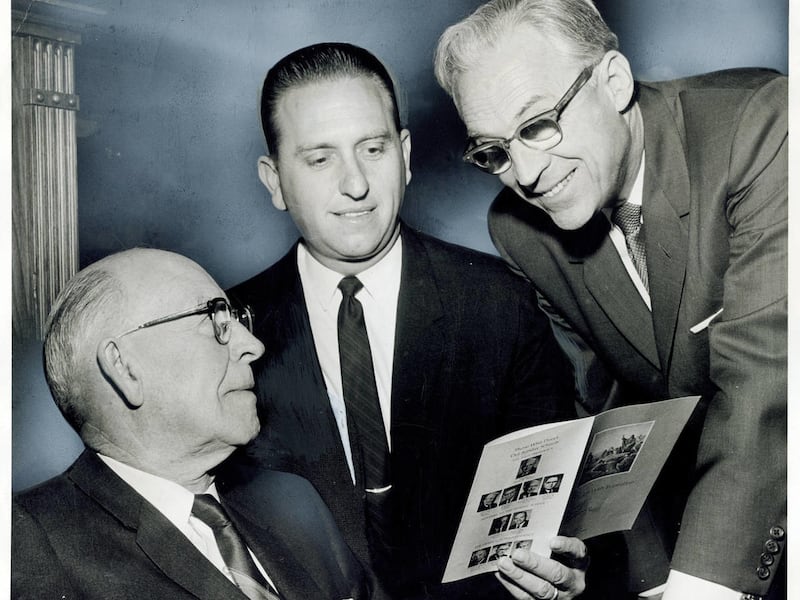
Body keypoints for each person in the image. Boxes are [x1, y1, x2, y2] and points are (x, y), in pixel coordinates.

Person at [434, 1, 787, 599]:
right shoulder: (521, 230)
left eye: (538, 123)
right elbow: (613, 419)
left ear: (615, 82)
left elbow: (767, 383)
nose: (525, 172)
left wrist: (697, 587)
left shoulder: (761, 126)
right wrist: (616, 577)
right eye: (492, 150)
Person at [223, 42, 587, 600]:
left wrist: (559, 570)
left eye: (373, 148)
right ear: (273, 181)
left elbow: (560, 509)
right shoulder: (227, 333)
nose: (356, 185)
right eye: (320, 159)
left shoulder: (501, 303)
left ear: (406, 154)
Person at [12, 249, 376, 600]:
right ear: (123, 368)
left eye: (237, 320)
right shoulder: (26, 540)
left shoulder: (291, 500)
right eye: (215, 320)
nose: (253, 346)